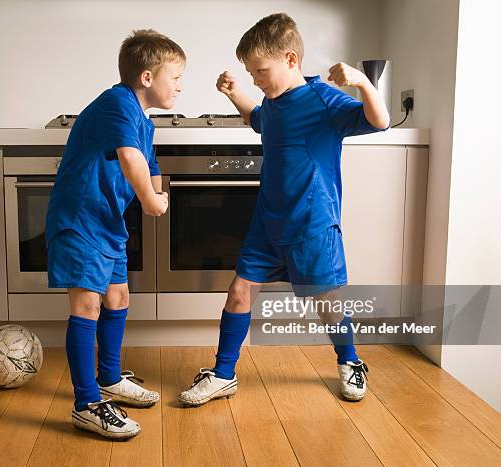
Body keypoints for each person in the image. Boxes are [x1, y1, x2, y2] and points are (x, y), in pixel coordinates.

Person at [178, 13, 389, 407]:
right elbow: (257, 120)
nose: (256, 80)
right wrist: (234, 93)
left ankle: (351, 360)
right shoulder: (271, 104)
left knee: (325, 302)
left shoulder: (324, 100)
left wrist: (362, 82)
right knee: (240, 292)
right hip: (267, 221)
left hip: (312, 223)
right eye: (251, 73)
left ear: (290, 60)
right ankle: (223, 374)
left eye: (261, 71)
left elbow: (381, 122)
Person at [45, 29, 185, 438]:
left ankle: (108, 378)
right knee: (87, 305)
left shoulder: (142, 117)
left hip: (107, 221)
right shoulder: (116, 104)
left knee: (118, 296)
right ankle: (86, 402)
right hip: (79, 219)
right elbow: (129, 158)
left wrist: (156, 190)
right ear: (146, 77)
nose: (180, 86)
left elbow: (149, 161)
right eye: (174, 78)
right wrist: (150, 200)